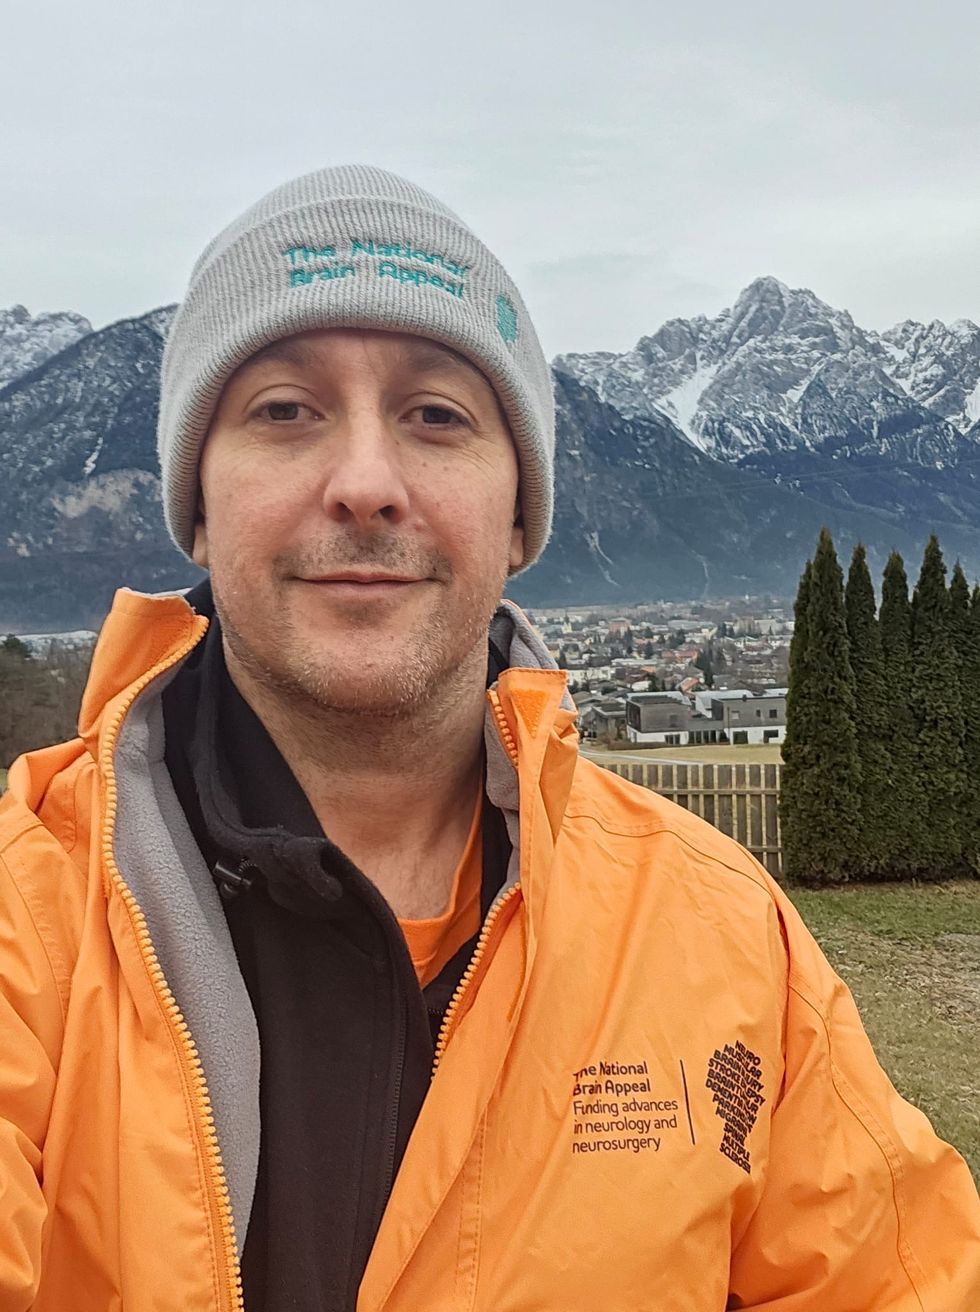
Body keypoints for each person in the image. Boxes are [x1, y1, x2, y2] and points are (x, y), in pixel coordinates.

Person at [0, 164, 978, 1312]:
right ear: (197, 507)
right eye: (282, 410)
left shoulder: (725, 943)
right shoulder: (31, 923)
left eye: (435, 416)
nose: (365, 483)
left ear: (519, 516)